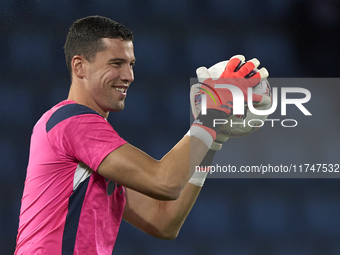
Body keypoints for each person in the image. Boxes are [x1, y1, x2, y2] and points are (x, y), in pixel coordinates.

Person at [14, 15, 268, 255]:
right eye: (116, 64)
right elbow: (164, 182)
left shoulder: (85, 140)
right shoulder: (73, 122)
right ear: (80, 66)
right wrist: (211, 115)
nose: (129, 76)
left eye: (131, 64)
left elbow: (163, 221)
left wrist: (214, 138)